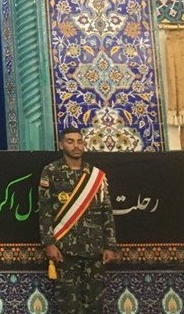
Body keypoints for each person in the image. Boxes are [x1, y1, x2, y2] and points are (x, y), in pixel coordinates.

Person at [38, 127, 118, 314]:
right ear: (61, 145)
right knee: (67, 304)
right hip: (65, 250)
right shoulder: (51, 171)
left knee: (95, 305)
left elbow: (106, 212)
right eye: (70, 141)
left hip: (94, 250)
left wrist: (110, 245)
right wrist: (49, 243)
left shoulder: (96, 175)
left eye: (79, 141)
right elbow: (45, 210)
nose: (76, 146)